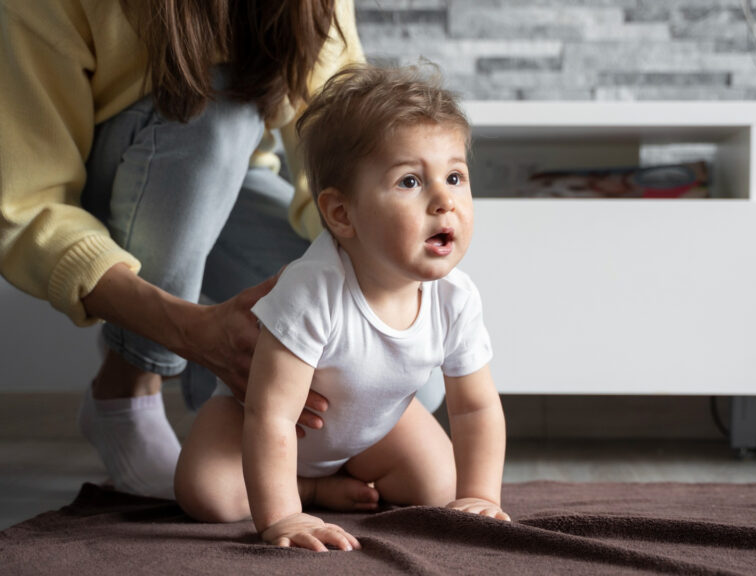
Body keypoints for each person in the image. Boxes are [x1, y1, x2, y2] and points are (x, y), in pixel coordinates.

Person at [0, 0, 444, 500]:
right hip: (112, 189)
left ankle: (295, 472)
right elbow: (25, 204)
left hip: (236, 177)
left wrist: (379, 261)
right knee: (218, 115)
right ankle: (126, 389)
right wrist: (191, 332)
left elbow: (342, 135)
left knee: (404, 379)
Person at [174, 62, 509, 552]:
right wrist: (284, 516)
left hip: (369, 431)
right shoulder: (313, 291)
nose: (444, 200)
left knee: (440, 486)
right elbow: (271, 416)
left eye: (455, 176)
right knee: (208, 493)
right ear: (341, 213)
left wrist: (480, 496)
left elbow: (476, 406)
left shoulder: (455, 298)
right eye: (410, 182)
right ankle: (306, 490)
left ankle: (333, 479)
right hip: (262, 429)